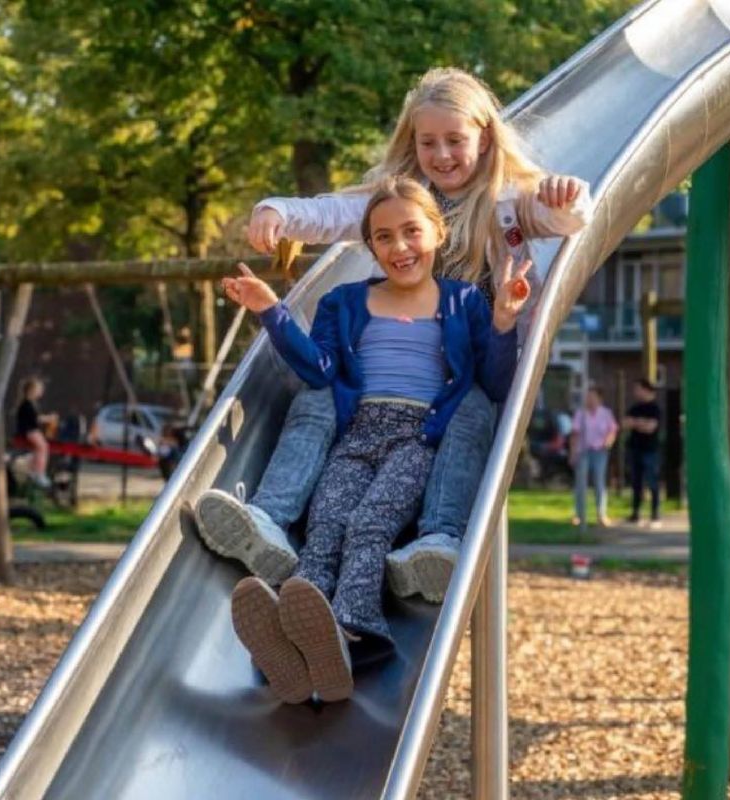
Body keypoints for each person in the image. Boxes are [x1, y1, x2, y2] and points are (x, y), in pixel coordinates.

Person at [195, 67, 592, 603]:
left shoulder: (510, 204)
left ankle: (437, 539)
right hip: (389, 378)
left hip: (466, 373)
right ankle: (268, 519)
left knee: (473, 410)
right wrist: (278, 211)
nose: (443, 154)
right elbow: (333, 213)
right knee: (318, 401)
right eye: (428, 142)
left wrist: (567, 197)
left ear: (485, 138)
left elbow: (567, 216)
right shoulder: (401, 202)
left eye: (456, 140)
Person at [223, 178, 530, 703]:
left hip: (418, 436)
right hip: (359, 431)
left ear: (438, 232)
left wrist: (503, 320)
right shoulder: (344, 302)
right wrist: (271, 310)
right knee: (326, 521)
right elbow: (317, 368)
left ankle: (353, 630)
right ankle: (299, 639)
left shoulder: (462, 302)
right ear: (371, 246)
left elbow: (495, 383)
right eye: (384, 237)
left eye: (412, 231)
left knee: (370, 522)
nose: (400, 247)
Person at [569, 386, 618, 527]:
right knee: (580, 484)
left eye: (592, 396)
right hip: (583, 451)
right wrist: (573, 453)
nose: (589, 399)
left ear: (599, 399)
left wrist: (608, 442)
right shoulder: (581, 413)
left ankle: (601, 514)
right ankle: (579, 514)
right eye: (588, 396)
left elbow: (612, 430)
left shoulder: (606, 413)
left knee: (599, 482)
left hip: (599, 452)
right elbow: (575, 434)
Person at [624, 379, 661, 526]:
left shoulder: (654, 408)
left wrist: (636, 423)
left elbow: (651, 427)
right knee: (636, 483)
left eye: (638, 389)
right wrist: (641, 423)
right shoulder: (635, 407)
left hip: (650, 450)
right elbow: (625, 423)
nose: (635, 392)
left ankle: (655, 514)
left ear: (646, 389)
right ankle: (635, 513)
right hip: (635, 449)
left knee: (652, 481)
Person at [15, 377, 57, 489]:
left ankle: (33, 470)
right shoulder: (27, 404)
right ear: (31, 390)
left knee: (39, 449)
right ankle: (39, 473)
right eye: (39, 388)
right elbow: (36, 419)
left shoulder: (32, 403)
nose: (41, 391)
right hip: (29, 431)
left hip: (31, 430)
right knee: (43, 447)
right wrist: (49, 418)